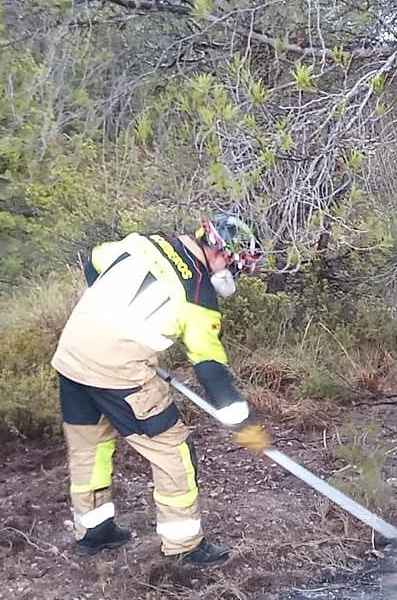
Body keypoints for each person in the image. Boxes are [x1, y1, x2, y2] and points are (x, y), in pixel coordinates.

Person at [50, 211, 271, 567]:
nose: (233, 273)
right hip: (120, 372)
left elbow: (95, 262)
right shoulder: (198, 296)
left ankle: (94, 531)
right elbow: (211, 370)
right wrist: (244, 424)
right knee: (174, 450)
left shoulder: (146, 242)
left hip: (72, 358)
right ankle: (184, 546)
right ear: (219, 252)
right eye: (234, 264)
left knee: (89, 447)